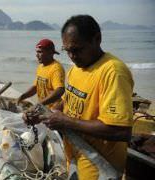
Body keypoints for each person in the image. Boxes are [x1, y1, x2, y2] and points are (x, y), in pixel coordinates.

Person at [34, 15, 133, 179]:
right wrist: (46, 115)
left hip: (100, 167)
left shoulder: (113, 72)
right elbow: (68, 101)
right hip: (75, 157)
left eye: (77, 49)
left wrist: (66, 121)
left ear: (97, 39)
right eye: (67, 51)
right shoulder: (76, 69)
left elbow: (120, 130)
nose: (72, 56)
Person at [17, 38, 65, 110]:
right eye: (37, 52)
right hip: (43, 107)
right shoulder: (41, 67)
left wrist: (39, 104)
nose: (37, 55)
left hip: (54, 109)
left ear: (50, 53)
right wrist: (22, 96)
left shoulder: (56, 69)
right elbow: (36, 87)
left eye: (40, 52)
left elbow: (60, 90)